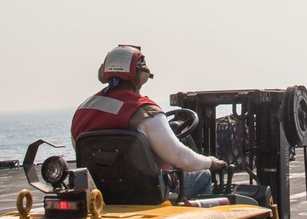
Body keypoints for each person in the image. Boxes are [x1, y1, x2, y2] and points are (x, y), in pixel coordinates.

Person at [71, 43, 225, 199]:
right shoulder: (145, 112)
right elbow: (180, 157)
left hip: (102, 195)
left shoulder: (84, 109)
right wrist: (210, 162)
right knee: (203, 175)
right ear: (141, 76)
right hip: (147, 194)